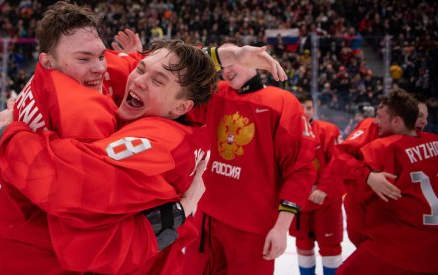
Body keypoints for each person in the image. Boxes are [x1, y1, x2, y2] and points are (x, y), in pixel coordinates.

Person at [0, 2, 287, 274]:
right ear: (47, 61)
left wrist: (7, 135)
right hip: (21, 254)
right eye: (84, 59)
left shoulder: (73, 82)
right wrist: (178, 214)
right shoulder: (82, 103)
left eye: (100, 56)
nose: (100, 68)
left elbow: (151, 64)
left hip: (10, 241)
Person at [0, 40, 217, 275]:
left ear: (182, 107)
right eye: (140, 69)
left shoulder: (161, 144)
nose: (138, 80)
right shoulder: (181, 119)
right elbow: (98, 61)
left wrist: (9, 136)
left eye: (157, 81)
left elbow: (69, 183)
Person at [183, 42, 316, 275]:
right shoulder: (216, 94)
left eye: (234, 63)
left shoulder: (282, 103)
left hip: (253, 228)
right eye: (224, 65)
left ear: (255, 64)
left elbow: (300, 169)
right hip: (207, 218)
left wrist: (281, 227)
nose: (227, 70)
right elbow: (184, 78)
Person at [337, 91, 438, 275]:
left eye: (380, 117)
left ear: (397, 121)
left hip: (398, 244)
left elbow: (340, 162)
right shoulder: (434, 140)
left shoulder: (385, 147)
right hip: (431, 247)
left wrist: (366, 176)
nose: (376, 121)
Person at [290, 94, 344, 275]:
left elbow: (338, 162)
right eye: (301, 108)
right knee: (303, 247)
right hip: (299, 203)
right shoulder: (286, 132)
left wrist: (323, 189)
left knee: (330, 248)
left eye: (309, 108)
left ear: (314, 109)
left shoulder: (329, 130)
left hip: (325, 203)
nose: (305, 112)